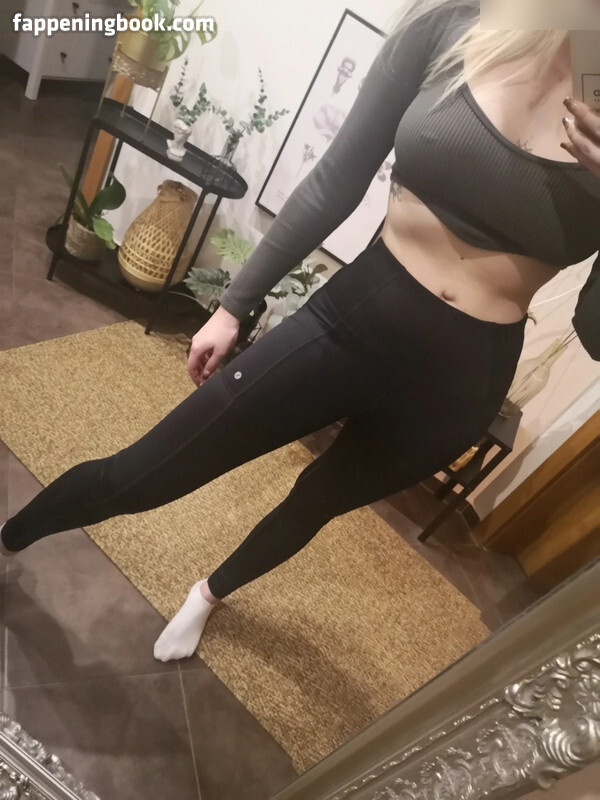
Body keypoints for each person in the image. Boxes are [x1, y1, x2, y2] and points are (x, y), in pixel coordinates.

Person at [1, 0, 599, 663]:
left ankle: (209, 594)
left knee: (316, 502)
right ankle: (9, 538)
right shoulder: (456, 25)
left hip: (460, 385)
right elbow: (337, 179)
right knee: (144, 473)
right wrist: (235, 305)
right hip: (350, 324)